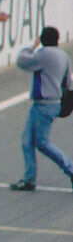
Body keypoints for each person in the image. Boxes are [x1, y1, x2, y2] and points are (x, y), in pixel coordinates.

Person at [10, 26, 73, 191]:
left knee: (42, 143)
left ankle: (71, 170)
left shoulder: (44, 54)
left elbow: (22, 61)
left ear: (43, 39)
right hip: (52, 103)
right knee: (27, 141)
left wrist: (32, 46)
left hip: (44, 104)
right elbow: (69, 83)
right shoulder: (64, 56)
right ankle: (28, 179)